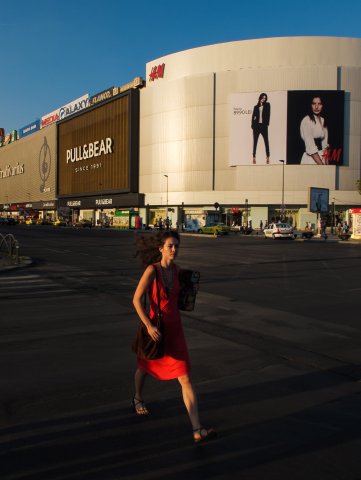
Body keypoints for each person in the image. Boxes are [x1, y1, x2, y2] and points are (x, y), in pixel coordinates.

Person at [132, 230, 216, 444]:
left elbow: (181, 301)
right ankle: (138, 398)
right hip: (156, 330)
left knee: (185, 377)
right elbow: (136, 299)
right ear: (161, 248)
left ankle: (197, 429)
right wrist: (148, 325)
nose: (174, 249)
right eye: (170, 246)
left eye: (176, 246)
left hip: (175, 329)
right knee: (145, 368)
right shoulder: (152, 270)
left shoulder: (178, 272)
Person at [300, 95, 329, 165]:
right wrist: (322, 166)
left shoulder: (323, 120)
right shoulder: (306, 120)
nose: (316, 107)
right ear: (310, 105)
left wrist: (328, 166)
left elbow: (325, 147)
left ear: (323, 105)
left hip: (322, 158)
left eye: (319, 104)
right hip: (310, 159)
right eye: (314, 104)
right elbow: (311, 147)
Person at [251, 93, 271, 164]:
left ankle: (268, 157)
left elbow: (268, 114)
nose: (264, 99)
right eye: (263, 98)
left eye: (265, 98)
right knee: (255, 142)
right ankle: (254, 157)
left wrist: (267, 124)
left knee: (266, 141)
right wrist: (252, 126)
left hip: (263, 126)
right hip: (256, 126)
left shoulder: (267, 105)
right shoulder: (256, 107)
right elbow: (253, 117)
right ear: (260, 98)